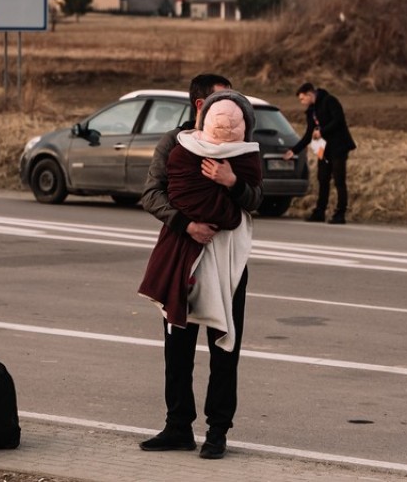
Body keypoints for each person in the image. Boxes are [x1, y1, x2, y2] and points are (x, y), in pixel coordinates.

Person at [138, 75, 263, 460]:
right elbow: (152, 194)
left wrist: (231, 182)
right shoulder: (174, 145)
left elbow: (257, 198)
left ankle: (217, 432)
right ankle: (178, 426)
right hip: (182, 252)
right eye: (220, 100)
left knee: (224, 348)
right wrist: (186, 224)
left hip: (228, 262)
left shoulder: (242, 149)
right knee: (177, 347)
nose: (231, 106)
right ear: (199, 107)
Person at [282, 82, 356, 224]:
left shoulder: (330, 101)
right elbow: (309, 133)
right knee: (322, 179)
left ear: (310, 94)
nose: (302, 102)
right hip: (324, 149)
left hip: (338, 147)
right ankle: (320, 211)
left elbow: (338, 120)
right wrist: (294, 150)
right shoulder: (311, 110)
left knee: (339, 180)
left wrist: (322, 131)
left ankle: (340, 213)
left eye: (303, 99)